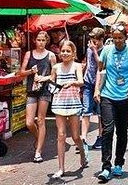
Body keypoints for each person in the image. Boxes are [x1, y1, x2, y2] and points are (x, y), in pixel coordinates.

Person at [94, 24, 128, 183]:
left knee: (121, 132)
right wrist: (97, 89)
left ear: (126, 38)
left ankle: (119, 163)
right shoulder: (106, 50)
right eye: (115, 37)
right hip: (107, 96)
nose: (117, 41)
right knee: (107, 130)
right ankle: (106, 167)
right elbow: (101, 70)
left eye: (120, 38)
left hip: (125, 98)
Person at [49, 40, 86, 179]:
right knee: (61, 135)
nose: (65, 53)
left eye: (68, 51)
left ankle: (82, 151)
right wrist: (45, 82)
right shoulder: (56, 68)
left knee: (75, 136)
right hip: (59, 103)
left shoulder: (77, 66)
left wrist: (71, 83)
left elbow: (81, 82)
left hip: (74, 103)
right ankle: (61, 168)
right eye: (63, 51)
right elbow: (52, 84)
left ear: (73, 53)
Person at [18, 31, 56, 163]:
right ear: (35, 41)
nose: (40, 42)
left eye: (43, 40)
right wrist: (31, 71)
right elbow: (21, 72)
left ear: (46, 41)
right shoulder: (29, 54)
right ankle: (38, 138)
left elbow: (54, 75)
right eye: (38, 40)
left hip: (45, 90)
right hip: (31, 90)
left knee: (41, 120)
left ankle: (38, 151)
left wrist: (43, 78)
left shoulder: (51, 55)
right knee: (29, 122)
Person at [81, 28, 105, 153]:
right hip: (87, 82)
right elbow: (89, 64)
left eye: (95, 41)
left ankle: (100, 137)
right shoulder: (89, 49)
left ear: (101, 40)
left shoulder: (105, 50)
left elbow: (100, 65)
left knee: (101, 112)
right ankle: (83, 138)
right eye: (91, 40)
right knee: (86, 110)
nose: (92, 43)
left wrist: (95, 51)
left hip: (100, 84)